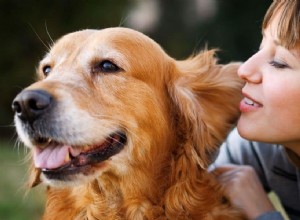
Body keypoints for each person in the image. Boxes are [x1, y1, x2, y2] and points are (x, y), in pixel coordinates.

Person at [211, 1, 300, 220]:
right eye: (261, 48)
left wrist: (264, 215)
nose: (244, 69)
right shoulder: (265, 150)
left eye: (279, 62)